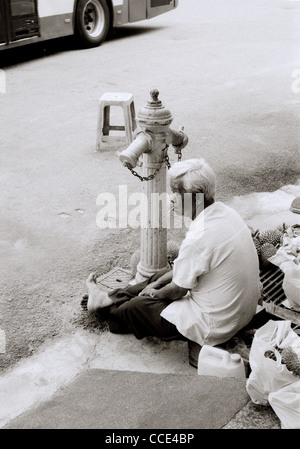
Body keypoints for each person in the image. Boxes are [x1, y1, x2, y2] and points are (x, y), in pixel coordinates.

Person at [85, 158, 261, 349]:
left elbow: (178, 290)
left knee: (137, 308)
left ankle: (111, 310)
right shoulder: (226, 213)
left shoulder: (198, 237)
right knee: (160, 275)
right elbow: (181, 272)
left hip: (217, 325)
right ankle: (107, 298)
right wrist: (158, 283)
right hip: (242, 312)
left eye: (176, 193)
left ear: (195, 198)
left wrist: (155, 293)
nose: (171, 198)